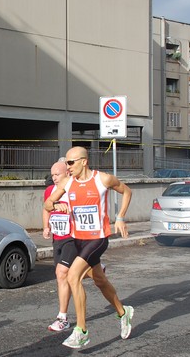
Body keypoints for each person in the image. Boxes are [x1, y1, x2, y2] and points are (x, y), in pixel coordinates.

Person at [44, 146, 134, 349]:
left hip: (98, 239)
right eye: (66, 163)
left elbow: (127, 191)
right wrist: (56, 205)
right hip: (78, 240)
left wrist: (120, 217)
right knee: (100, 280)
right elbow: (48, 203)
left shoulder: (103, 179)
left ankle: (82, 331)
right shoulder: (67, 183)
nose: (68, 167)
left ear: (83, 161)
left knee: (73, 276)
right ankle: (123, 312)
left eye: (70, 163)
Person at [43, 160, 105, 332]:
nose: (54, 178)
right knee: (64, 276)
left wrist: (69, 209)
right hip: (58, 238)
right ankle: (93, 269)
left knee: (61, 273)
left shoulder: (74, 189)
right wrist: (46, 226)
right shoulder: (50, 190)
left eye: (58, 174)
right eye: (52, 175)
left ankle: (62, 318)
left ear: (68, 173)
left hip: (73, 238)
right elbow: (46, 208)